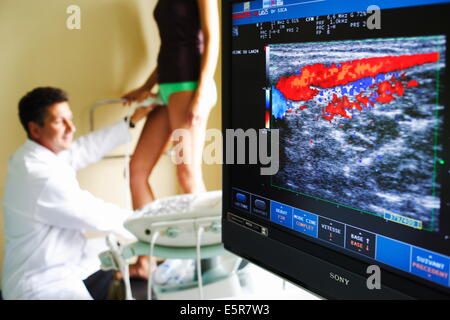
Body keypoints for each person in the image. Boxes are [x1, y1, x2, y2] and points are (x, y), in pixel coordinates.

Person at [1, 87, 153, 300]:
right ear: (35, 129)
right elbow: (96, 215)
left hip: (57, 264)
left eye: (70, 119)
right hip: (41, 287)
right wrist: (154, 226)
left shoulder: (35, 155)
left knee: (105, 247)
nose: (71, 128)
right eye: (59, 122)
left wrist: (131, 121)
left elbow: (82, 149)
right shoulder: (39, 176)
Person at [122, 0, 219, 210]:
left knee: (187, 175)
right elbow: (171, 47)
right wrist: (145, 87)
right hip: (165, 88)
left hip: (189, 86)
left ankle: (211, 240)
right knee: (136, 172)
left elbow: (212, 39)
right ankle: (152, 238)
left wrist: (201, 93)